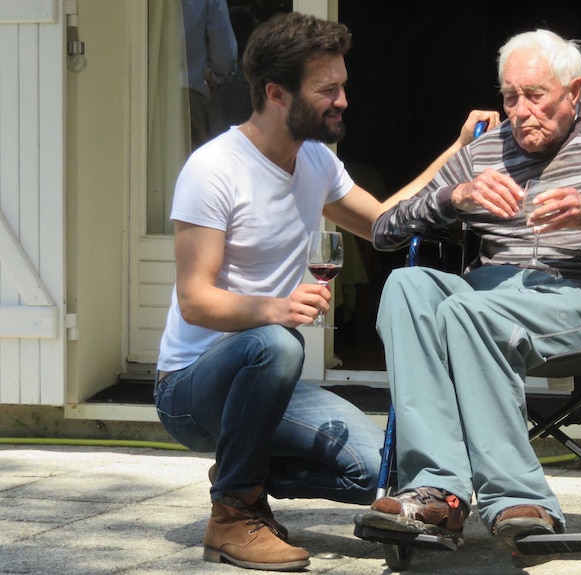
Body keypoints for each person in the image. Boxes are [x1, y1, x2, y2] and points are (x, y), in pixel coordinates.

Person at [154, 12, 498, 573]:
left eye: (343, 86)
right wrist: (275, 308)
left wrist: (457, 153)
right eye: (327, 90)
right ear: (275, 93)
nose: (342, 100)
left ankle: (241, 467)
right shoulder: (213, 169)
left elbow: (387, 221)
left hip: (268, 380)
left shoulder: (314, 158)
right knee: (279, 342)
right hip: (192, 387)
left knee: (372, 470)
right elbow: (195, 300)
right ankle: (234, 516)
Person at [355, 29, 581, 552]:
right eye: (510, 97)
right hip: (487, 298)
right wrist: (454, 197)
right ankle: (438, 491)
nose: (521, 111)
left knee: (467, 312)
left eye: (535, 96)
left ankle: (517, 497)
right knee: (407, 285)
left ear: (573, 92)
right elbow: (383, 231)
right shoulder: (484, 150)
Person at [180, 0, 238, 150]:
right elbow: (224, 53)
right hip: (192, 94)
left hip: (148, 90)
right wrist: (218, 76)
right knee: (192, 163)